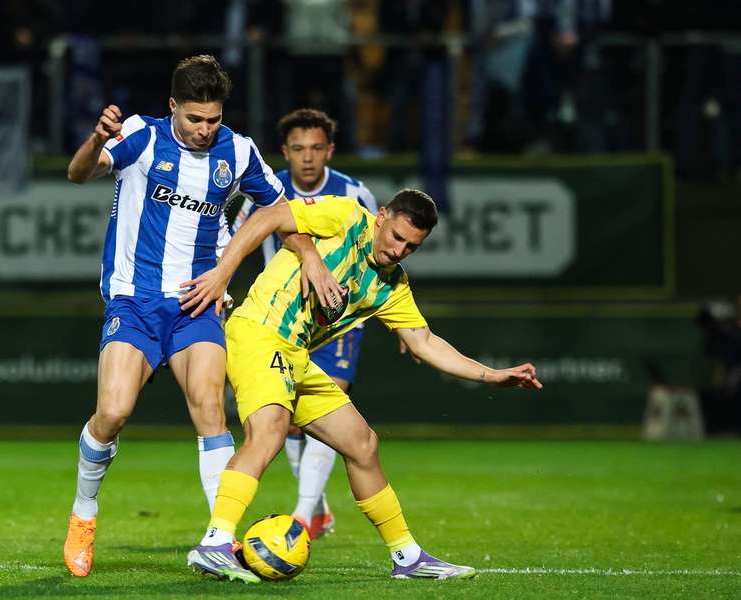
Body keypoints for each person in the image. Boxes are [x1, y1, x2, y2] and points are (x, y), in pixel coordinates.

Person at [180, 189, 543, 583]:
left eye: (412, 246)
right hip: (259, 334)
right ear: (381, 216)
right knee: (267, 433)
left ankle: (407, 557)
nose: (400, 249)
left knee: (363, 444)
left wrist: (491, 375)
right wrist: (223, 274)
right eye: (397, 237)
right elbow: (268, 217)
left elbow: (424, 342)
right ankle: (215, 543)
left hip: (296, 356)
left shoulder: (391, 285)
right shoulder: (346, 216)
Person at [61, 54, 294, 578]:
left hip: (198, 303)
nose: (205, 129)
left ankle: (220, 539)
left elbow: (281, 212)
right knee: (114, 413)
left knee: (211, 409)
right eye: (195, 119)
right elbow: (78, 175)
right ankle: (84, 511)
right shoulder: (142, 136)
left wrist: (315, 264)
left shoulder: (237, 151)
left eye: (213, 119)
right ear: (173, 108)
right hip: (135, 301)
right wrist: (97, 139)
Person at [232, 108, 377, 539]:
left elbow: (382, 251)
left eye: (316, 148)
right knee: (292, 420)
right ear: (285, 152)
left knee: (332, 403)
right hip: (283, 320)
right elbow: (235, 237)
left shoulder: (355, 193)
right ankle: (316, 506)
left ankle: (303, 515)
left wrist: (395, 319)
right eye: (298, 149)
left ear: (329, 150)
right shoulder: (266, 191)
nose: (308, 158)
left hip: (337, 319)